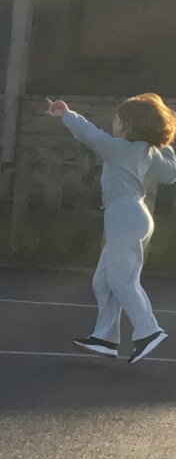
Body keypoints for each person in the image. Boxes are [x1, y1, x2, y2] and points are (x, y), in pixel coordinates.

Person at [48, 94, 176, 365]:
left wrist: (66, 114)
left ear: (129, 125)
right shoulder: (147, 151)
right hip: (133, 216)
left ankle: (148, 331)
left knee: (122, 280)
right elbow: (170, 174)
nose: (114, 122)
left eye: (119, 119)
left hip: (125, 216)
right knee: (104, 281)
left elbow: (91, 135)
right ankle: (105, 338)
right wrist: (165, 144)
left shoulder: (118, 148)